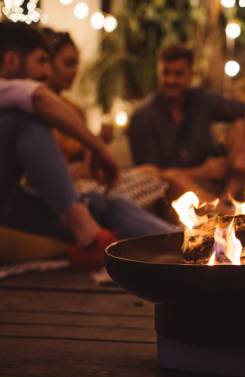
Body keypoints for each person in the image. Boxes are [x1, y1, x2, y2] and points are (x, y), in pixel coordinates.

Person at [0, 22, 173, 279]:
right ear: (12, 60)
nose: (47, 72)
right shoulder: (24, 101)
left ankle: (184, 241)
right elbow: (36, 96)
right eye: (41, 61)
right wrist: (100, 148)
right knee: (25, 118)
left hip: (17, 204)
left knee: (104, 204)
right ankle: (90, 236)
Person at [127, 43, 245, 202]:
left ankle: (228, 200)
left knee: (241, 124)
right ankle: (223, 213)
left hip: (217, 184)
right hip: (173, 195)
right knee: (173, 177)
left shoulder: (199, 100)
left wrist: (244, 153)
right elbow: (150, 175)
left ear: (190, 75)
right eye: (166, 73)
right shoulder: (143, 117)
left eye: (178, 74)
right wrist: (200, 172)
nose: (171, 80)